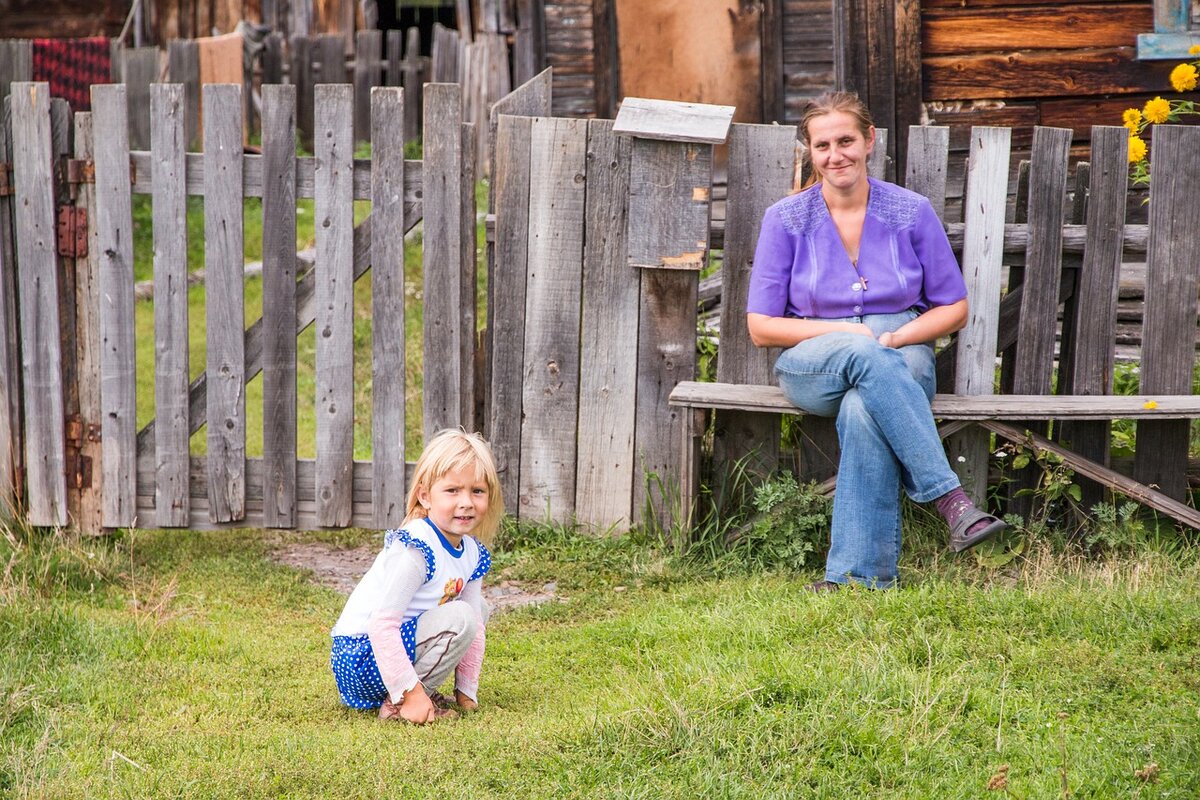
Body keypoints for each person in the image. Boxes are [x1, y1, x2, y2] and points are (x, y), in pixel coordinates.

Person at [746, 91, 1005, 590]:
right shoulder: (785, 219)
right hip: (815, 360)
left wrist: (899, 336)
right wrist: (853, 334)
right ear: (810, 151)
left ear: (869, 141)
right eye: (822, 145)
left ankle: (858, 578)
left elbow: (954, 307)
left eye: (846, 140)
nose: (835, 154)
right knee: (864, 353)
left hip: (903, 351)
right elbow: (762, 327)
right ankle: (949, 500)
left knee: (865, 408)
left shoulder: (910, 211)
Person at [330, 429, 503, 723]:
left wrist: (467, 692)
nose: (466, 502)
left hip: (394, 650)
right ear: (425, 496)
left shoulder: (472, 552)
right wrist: (408, 693)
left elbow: (475, 625)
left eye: (477, 491)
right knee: (460, 615)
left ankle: (419, 692)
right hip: (360, 656)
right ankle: (402, 702)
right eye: (452, 491)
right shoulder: (417, 548)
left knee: (476, 611)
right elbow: (382, 625)